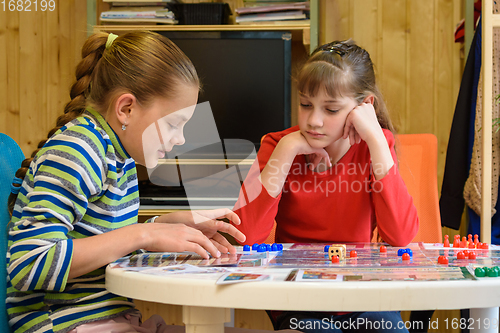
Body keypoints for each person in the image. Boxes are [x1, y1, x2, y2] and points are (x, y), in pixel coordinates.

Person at [6, 31, 247, 333]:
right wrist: (142, 234)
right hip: (62, 323)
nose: (181, 138)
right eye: (174, 124)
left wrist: (168, 225)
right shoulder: (76, 152)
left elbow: (104, 241)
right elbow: (29, 265)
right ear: (126, 109)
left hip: (112, 322)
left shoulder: (118, 155)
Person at [233, 40, 420, 332]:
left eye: (331, 109)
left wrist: (376, 141)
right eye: (305, 105)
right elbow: (244, 237)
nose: (314, 121)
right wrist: (287, 149)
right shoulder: (278, 145)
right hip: (298, 299)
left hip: (362, 297)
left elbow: (400, 236)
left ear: (364, 106)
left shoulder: (376, 147)